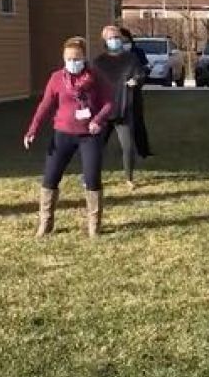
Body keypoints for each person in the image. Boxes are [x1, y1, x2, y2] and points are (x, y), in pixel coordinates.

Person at [25, 36, 112, 238]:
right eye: (68, 59)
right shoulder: (56, 78)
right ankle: (45, 223)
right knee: (50, 178)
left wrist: (98, 120)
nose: (73, 62)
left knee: (92, 179)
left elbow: (109, 102)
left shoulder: (96, 76)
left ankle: (94, 225)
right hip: (62, 134)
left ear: (84, 58)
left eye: (77, 58)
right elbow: (45, 105)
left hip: (89, 136)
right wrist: (33, 129)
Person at [92, 25, 146, 190]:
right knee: (96, 146)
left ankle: (129, 178)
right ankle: (91, 176)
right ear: (105, 41)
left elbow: (141, 74)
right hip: (103, 111)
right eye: (110, 38)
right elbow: (91, 82)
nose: (114, 40)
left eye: (116, 37)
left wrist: (136, 80)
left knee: (128, 146)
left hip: (124, 109)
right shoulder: (99, 62)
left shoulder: (130, 59)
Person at [120, 27, 153, 159]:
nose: (123, 43)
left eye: (125, 40)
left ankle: (143, 150)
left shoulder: (137, 52)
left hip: (134, 91)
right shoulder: (113, 54)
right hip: (117, 92)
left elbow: (145, 67)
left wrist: (138, 78)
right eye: (120, 40)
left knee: (137, 120)